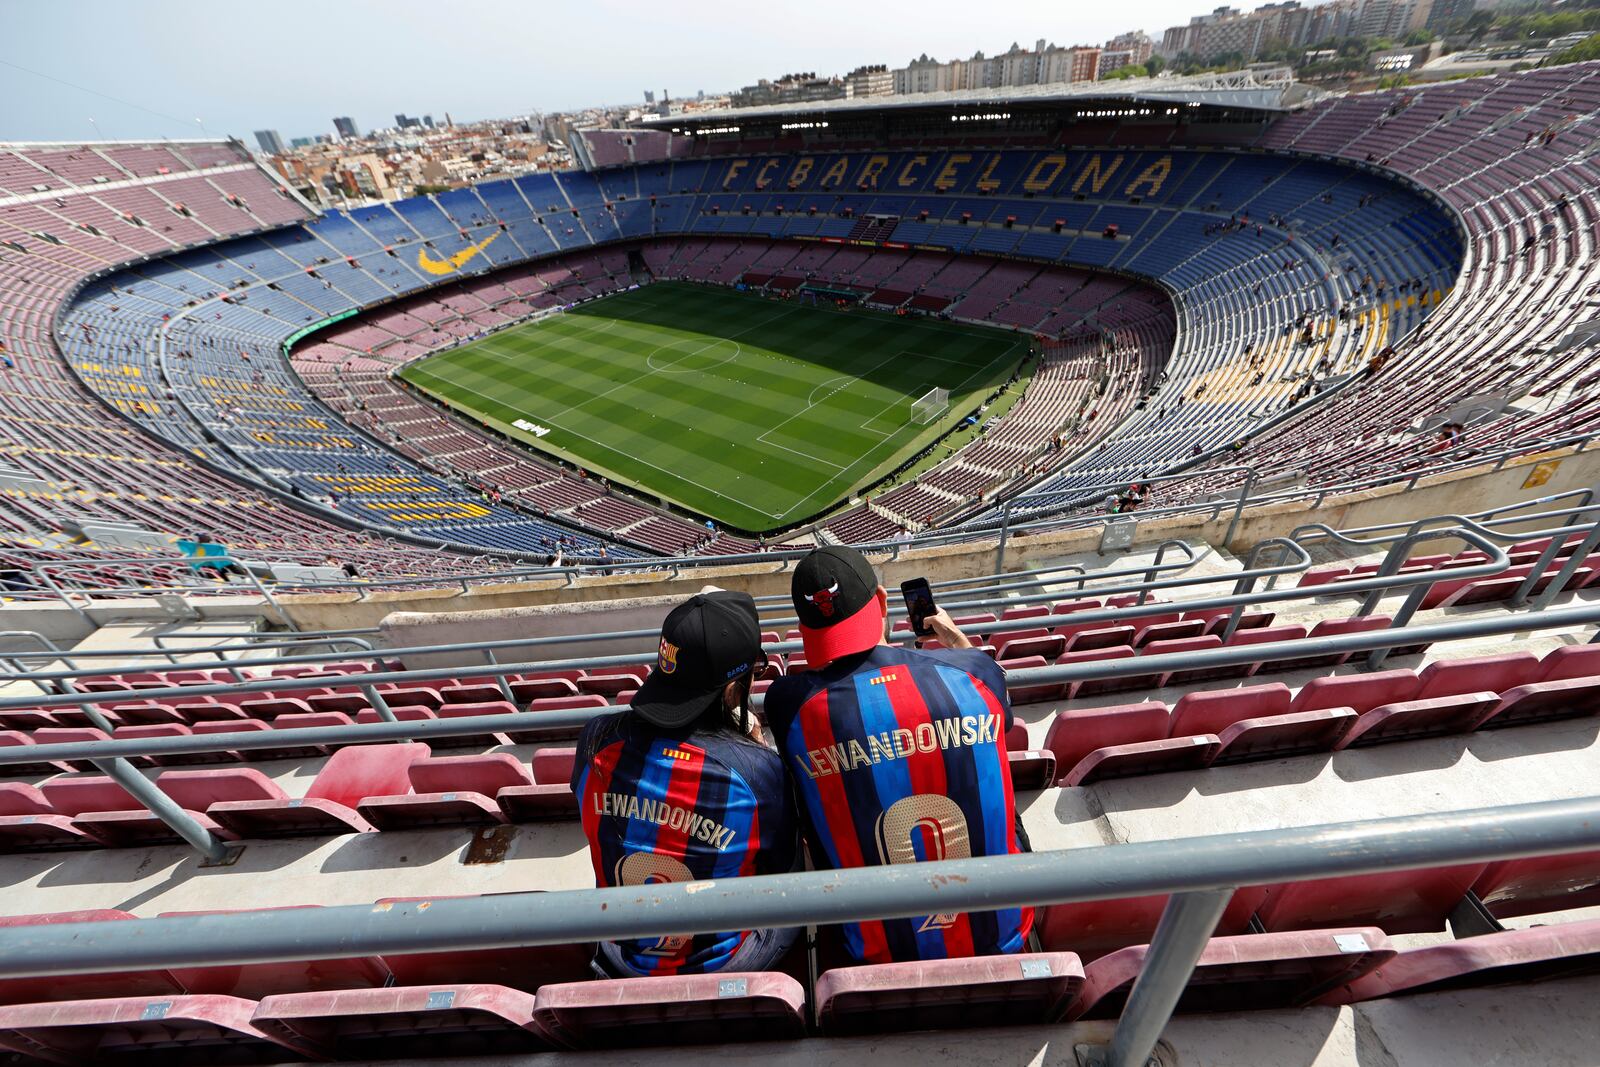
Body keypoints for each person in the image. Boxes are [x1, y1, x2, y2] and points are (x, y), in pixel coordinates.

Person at [764, 546, 1033, 965]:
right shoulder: (972, 672)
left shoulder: (788, 703)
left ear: (804, 629)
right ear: (884, 602)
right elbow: (999, 695)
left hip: (873, 955)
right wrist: (954, 640)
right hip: (1007, 933)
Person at [571, 590, 800, 977]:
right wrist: (758, 753)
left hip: (619, 957)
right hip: (725, 966)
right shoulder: (758, 772)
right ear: (731, 690)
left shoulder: (595, 738)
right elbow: (776, 868)